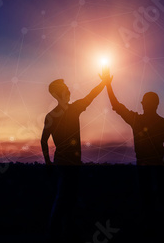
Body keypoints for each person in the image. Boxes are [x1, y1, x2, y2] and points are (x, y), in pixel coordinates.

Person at [100, 68, 164, 223]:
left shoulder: (137, 121)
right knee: (162, 197)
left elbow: (116, 105)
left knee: (149, 198)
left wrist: (108, 85)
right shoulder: (163, 123)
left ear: (146, 104)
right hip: (157, 166)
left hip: (145, 166)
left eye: (144, 103)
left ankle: (155, 225)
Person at [41, 77, 107, 242]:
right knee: (64, 197)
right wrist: (103, 82)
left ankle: (64, 231)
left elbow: (43, 140)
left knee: (67, 198)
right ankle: (55, 233)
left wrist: (48, 162)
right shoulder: (69, 110)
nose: (69, 90)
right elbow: (43, 140)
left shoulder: (57, 114)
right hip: (66, 163)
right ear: (57, 93)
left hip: (68, 163)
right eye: (65, 88)